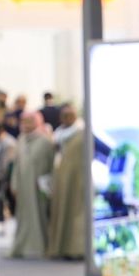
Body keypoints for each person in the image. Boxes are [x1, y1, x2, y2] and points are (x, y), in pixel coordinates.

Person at [10, 111, 55, 258]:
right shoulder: (21, 140)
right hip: (23, 186)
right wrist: (14, 184)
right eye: (24, 121)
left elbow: (51, 166)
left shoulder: (45, 141)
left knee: (40, 215)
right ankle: (22, 246)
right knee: (23, 216)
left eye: (29, 121)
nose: (26, 124)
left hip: (39, 186)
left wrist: (50, 186)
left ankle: (40, 246)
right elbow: (17, 165)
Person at [47, 104, 86, 259]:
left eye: (70, 115)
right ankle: (60, 247)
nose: (67, 118)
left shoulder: (81, 132)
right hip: (61, 178)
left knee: (76, 213)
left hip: (78, 179)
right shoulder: (58, 134)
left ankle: (76, 249)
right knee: (61, 211)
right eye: (64, 116)